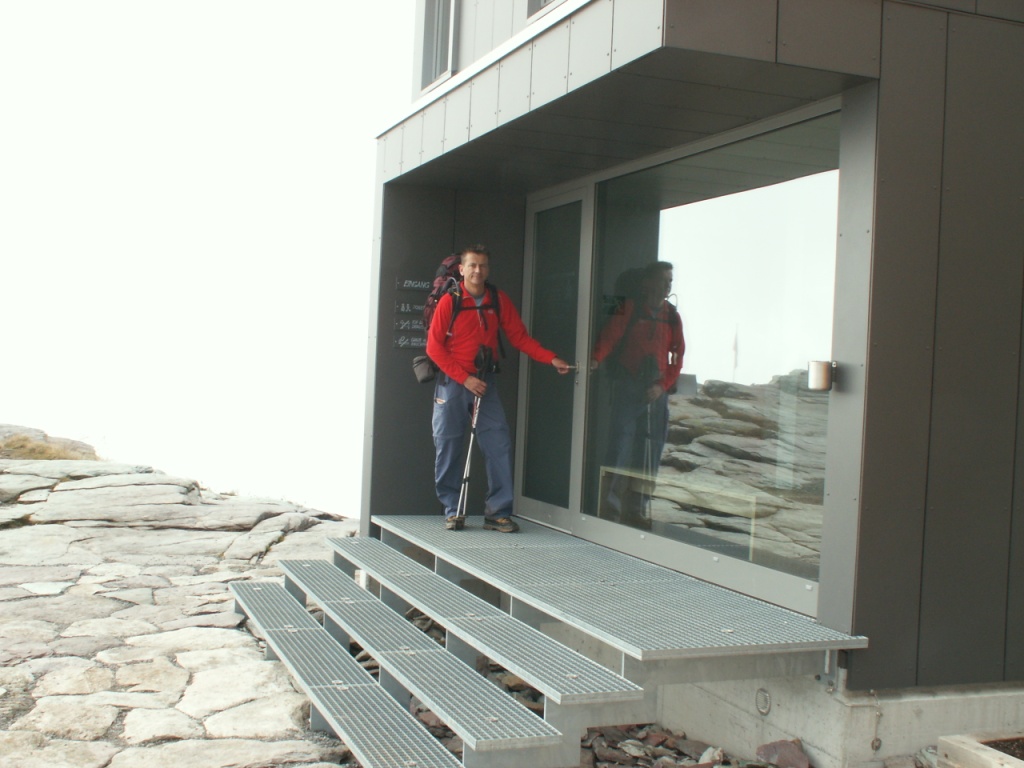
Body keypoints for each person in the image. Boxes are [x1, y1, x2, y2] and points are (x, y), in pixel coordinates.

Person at [427, 245, 571, 532]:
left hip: (485, 382)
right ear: (462, 269)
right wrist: (465, 379)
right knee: (448, 445)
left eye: (482, 265)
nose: (477, 270)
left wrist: (551, 358)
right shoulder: (449, 301)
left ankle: (497, 512)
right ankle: (452, 510)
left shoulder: (498, 299)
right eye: (472, 265)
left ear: (488, 269)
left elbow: (519, 337)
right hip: (454, 383)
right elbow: (434, 348)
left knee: (498, 444)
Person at [590, 261, 685, 526]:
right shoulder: (630, 309)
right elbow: (610, 337)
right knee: (620, 448)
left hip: (656, 391)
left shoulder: (672, 316)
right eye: (663, 280)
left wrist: (662, 386)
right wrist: (595, 360)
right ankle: (609, 510)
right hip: (629, 386)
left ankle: (637, 510)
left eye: (670, 281)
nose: (667, 285)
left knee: (650, 453)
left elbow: (677, 357)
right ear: (648, 282)